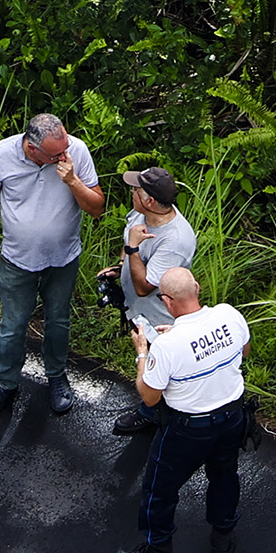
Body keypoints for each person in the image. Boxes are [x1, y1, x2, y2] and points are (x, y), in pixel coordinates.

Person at [112, 264, 250, 553]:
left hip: (188, 429)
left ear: (167, 301)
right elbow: (243, 350)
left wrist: (143, 353)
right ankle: (222, 545)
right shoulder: (229, 315)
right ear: (197, 288)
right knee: (224, 477)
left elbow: (149, 397)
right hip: (232, 417)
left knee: (159, 489)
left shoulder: (167, 346)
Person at [0, 110, 104, 421]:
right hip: (17, 259)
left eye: (65, 147)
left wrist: (73, 181)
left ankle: (56, 376)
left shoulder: (77, 152)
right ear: (31, 148)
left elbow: (96, 208)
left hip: (63, 258)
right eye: (56, 154)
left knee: (58, 321)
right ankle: (5, 382)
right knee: (13, 326)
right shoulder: (0, 157)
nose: (64, 156)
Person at [97, 168, 197, 440]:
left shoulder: (175, 240)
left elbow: (144, 288)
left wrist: (132, 249)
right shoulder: (141, 214)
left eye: (135, 190)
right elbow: (130, 238)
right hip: (139, 311)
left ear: (150, 200)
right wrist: (121, 266)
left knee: (157, 362)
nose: (131, 193)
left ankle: (153, 412)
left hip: (160, 318)